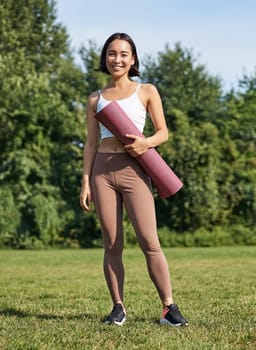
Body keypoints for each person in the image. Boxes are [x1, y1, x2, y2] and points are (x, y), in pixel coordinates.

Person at [80, 32, 189, 327]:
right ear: (105, 58)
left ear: (133, 60)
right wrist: (86, 181)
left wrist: (147, 143)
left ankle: (169, 308)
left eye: (124, 54)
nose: (117, 59)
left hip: (135, 169)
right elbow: (90, 144)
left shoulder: (147, 91)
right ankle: (118, 307)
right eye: (112, 53)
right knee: (112, 243)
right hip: (103, 170)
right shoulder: (95, 99)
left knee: (149, 241)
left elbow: (164, 132)